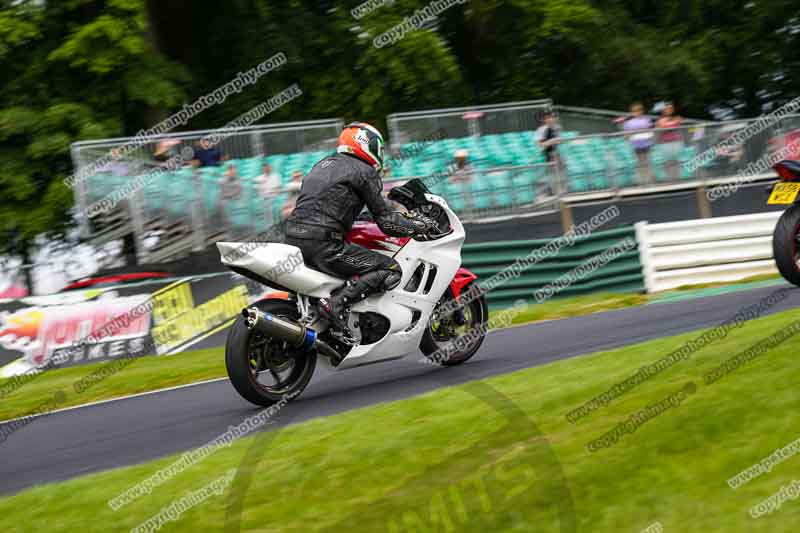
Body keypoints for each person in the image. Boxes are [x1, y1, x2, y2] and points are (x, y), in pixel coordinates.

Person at [284, 122, 438, 334]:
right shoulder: (364, 171)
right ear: (366, 144)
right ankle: (337, 303)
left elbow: (330, 203)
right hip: (324, 244)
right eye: (378, 147)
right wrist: (416, 225)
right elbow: (387, 222)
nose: (380, 152)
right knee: (389, 268)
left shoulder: (322, 164)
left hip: (292, 237)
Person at [620, 103, 654, 183]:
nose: (637, 112)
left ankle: (649, 181)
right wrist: (628, 136)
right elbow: (626, 135)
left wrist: (649, 134)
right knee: (639, 163)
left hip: (646, 144)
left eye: (639, 110)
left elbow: (651, 131)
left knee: (647, 162)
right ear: (632, 112)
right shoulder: (628, 122)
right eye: (635, 111)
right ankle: (641, 181)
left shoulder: (647, 120)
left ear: (642, 111)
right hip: (636, 146)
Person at [655, 101, 685, 181]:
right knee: (668, 162)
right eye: (667, 108)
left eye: (671, 108)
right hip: (665, 143)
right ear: (663, 110)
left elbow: (678, 124)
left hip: (676, 142)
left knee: (676, 161)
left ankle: (678, 179)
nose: (669, 110)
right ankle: (670, 180)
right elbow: (663, 126)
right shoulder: (660, 119)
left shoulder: (675, 118)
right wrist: (675, 122)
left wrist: (675, 122)